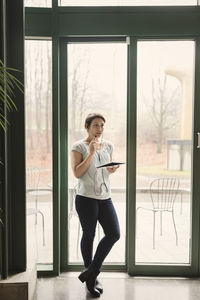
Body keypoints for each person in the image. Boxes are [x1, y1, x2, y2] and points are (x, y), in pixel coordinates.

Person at [71, 113, 120, 298]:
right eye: (95, 125)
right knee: (89, 235)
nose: (99, 129)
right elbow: (77, 173)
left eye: (102, 126)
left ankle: (91, 272)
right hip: (86, 199)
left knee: (114, 233)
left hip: (105, 197)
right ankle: (90, 277)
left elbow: (105, 169)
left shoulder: (108, 145)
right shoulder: (79, 146)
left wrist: (111, 169)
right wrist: (90, 153)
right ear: (88, 127)